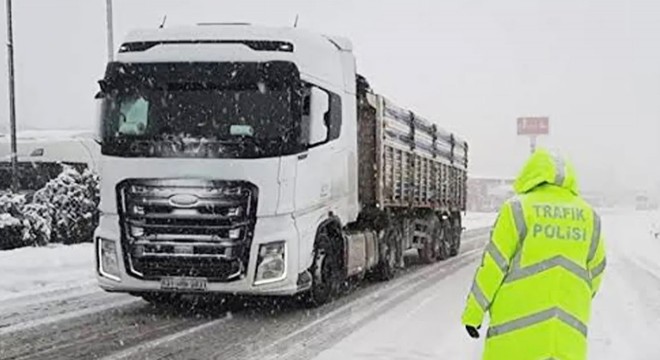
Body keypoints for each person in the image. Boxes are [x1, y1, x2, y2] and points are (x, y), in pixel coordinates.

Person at [461, 148, 606, 360]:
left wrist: (473, 314)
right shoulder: (589, 215)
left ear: (531, 174)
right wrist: (570, 297)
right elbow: (597, 270)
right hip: (565, 339)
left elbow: (492, 266)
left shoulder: (518, 209)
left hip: (514, 338)